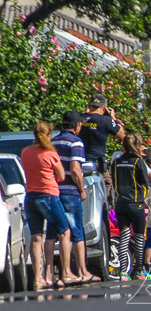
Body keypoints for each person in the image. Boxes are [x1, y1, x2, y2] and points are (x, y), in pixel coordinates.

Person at [22, 121, 76, 289]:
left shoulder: (25, 152)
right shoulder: (50, 153)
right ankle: (66, 272)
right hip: (49, 196)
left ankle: (38, 278)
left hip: (30, 196)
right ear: (49, 135)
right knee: (64, 232)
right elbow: (60, 175)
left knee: (37, 237)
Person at [51, 110, 98, 283]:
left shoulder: (53, 141)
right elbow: (76, 169)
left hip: (54, 191)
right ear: (77, 126)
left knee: (55, 233)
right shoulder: (76, 142)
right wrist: (82, 190)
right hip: (70, 191)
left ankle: (57, 273)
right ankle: (82, 270)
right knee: (77, 231)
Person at [111, 133, 151, 279]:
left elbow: (113, 180)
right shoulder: (138, 162)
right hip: (136, 203)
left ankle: (123, 272)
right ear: (137, 146)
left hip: (120, 203)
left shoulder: (116, 162)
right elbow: (148, 181)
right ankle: (139, 271)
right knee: (138, 237)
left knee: (124, 236)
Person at [79, 94, 125, 176]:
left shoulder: (79, 118)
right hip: (96, 161)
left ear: (90, 106)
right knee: (107, 182)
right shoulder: (106, 120)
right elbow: (122, 134)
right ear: (104, 107)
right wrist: (113, 118)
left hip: (79, 159)